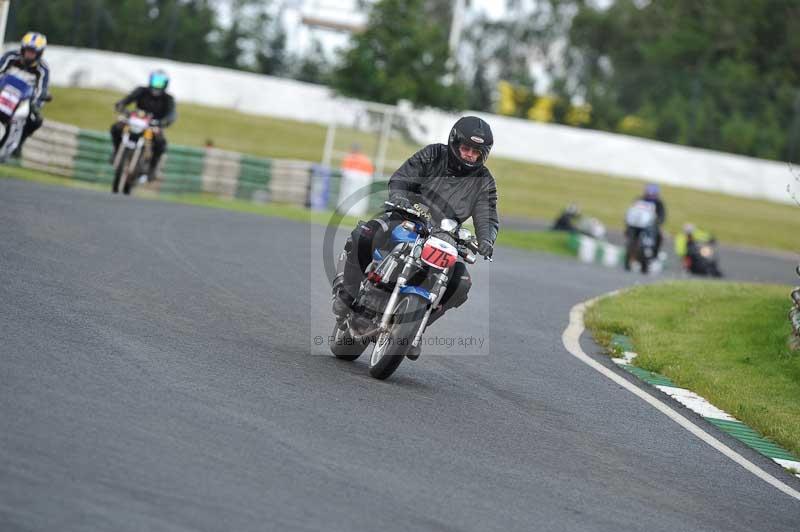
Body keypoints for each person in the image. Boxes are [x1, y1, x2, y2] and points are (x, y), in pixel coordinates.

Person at [333, 116, 499, 326]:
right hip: (406, 216)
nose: (470, 155)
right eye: (467, 148)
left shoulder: (484, 181)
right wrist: (401, 198)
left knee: (461, 282)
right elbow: (403, 176)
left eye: (476, 152)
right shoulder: (434, 154)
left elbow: (488, 215)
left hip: (444, 236)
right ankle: (347, 293)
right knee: (365, 234)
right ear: (455, 143)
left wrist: (487, 239)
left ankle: (418, 325)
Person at [110, 70, 176, 181]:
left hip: (153, 126)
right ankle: (116, 151)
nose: (157, 85)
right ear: (150, 80)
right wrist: (121, 106)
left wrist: (163, 122)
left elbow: (171, 115)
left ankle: (152, 168)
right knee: (116, 128)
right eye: (155, 81)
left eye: (160, 82)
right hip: (134, 121)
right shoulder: (141, 91)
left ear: (165, 84)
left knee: (161, 143)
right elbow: (126, 100)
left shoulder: (168, 99)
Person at [0, 32, 50, 155]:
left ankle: (18, 143)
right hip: (3, 94)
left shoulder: (43, 69)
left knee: (36, 120)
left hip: (22, 102)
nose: (29, 54)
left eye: (33, 52)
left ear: (39, 53)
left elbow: (41, 90)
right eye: (27, 50)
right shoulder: (11, 57)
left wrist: (36, 103)